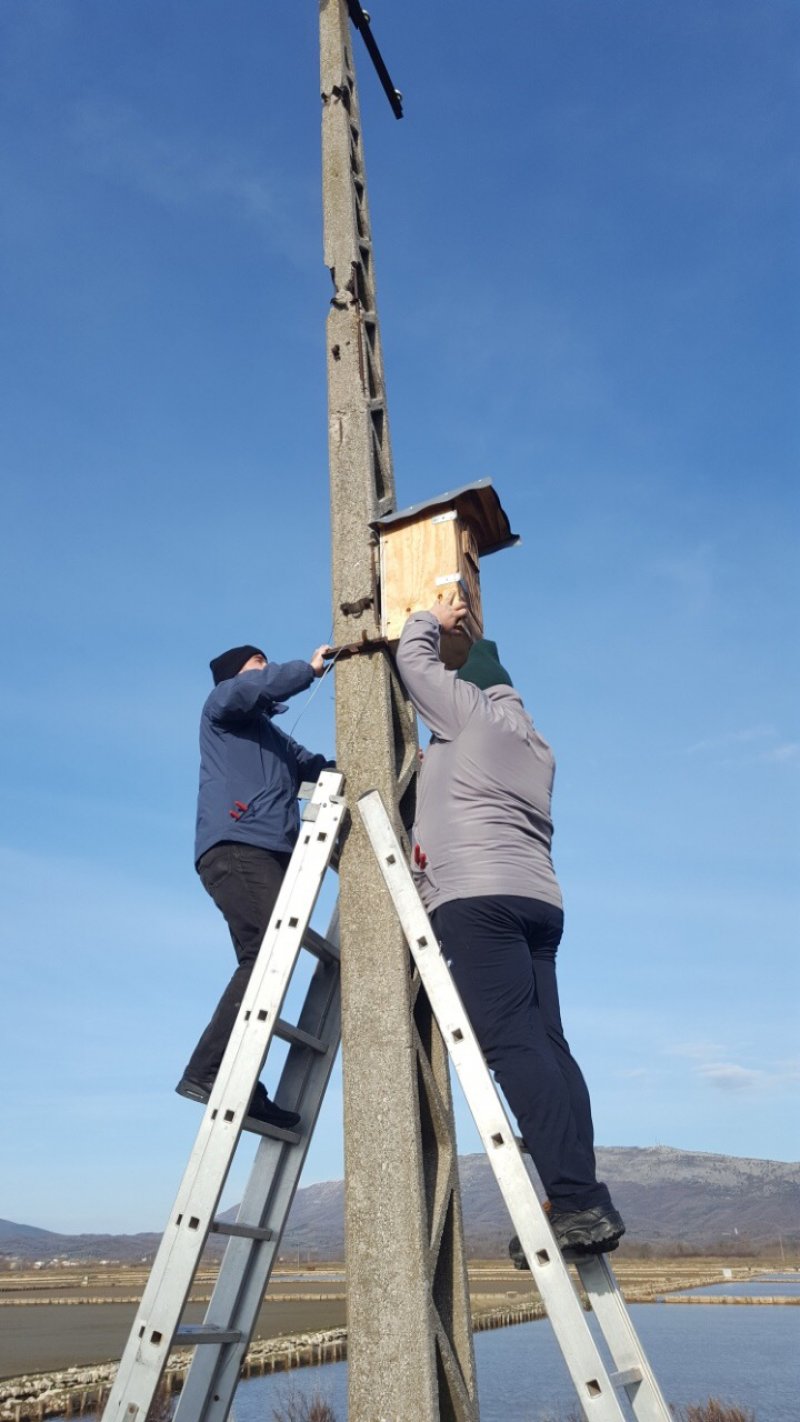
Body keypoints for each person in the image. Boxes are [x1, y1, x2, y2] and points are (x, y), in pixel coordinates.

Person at [396, 602, 625, 1259]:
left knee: (514, 1047)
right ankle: (582, 1198)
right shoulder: (534, 742)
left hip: (479, 900)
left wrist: (425, 619)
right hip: (537, 903)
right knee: (550, 1046)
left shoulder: (470, 716)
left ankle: (577, 1205)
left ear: (469, 684)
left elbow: (413, 663)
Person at [176, 641, 333, 1130]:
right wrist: (306, 670)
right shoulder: (221, 706)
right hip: (237, 847)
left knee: (262, 963)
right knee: (269, 953)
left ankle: (240, 1081)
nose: (265, 669)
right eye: (257, 664)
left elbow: (315, 766)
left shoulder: (272, 737)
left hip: (262, 853)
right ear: (235, 678)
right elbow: (253, 686)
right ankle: (209, 1071)